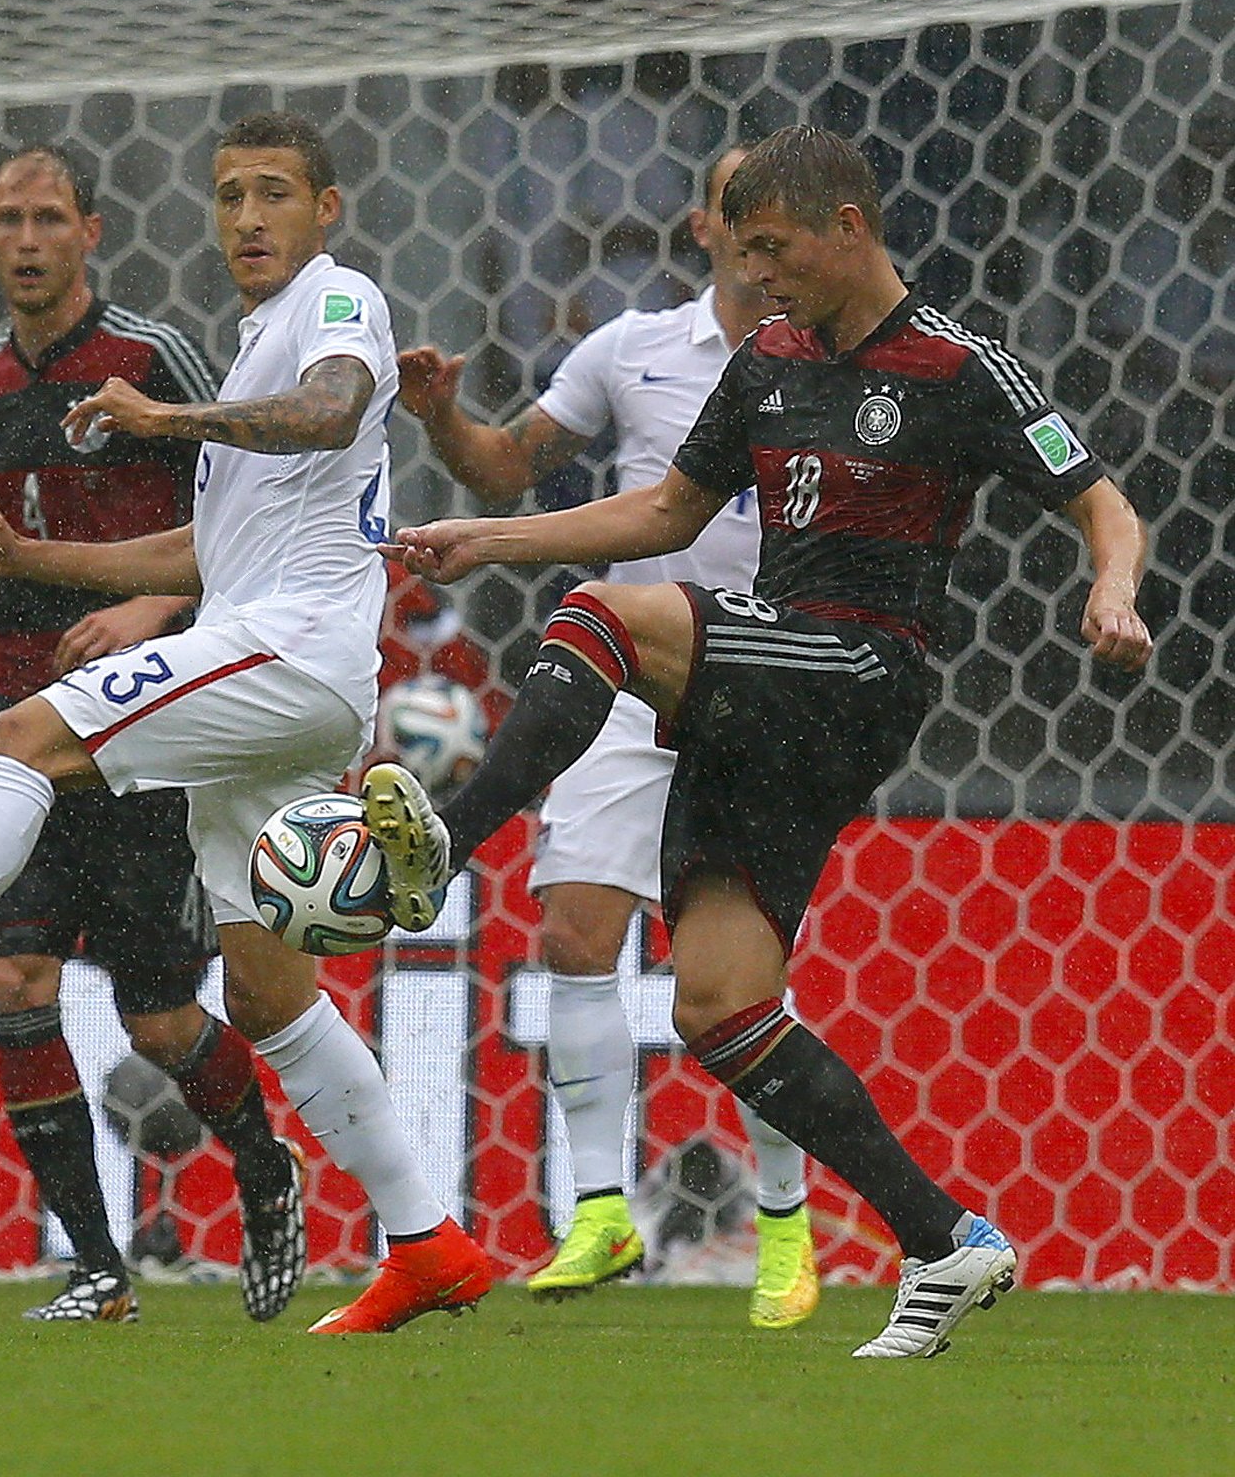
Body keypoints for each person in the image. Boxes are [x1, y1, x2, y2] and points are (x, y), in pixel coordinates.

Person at [372, 125, 1152, 1358]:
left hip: (859, 669)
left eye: (776, 249)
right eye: (744, 253)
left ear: (849, 226)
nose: (761, 277)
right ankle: (948, 1239)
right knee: (719, 1004)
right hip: (763, 696)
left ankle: (443, 848)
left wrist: (1112, 590)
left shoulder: (960, 367)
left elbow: (1103, 503)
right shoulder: (769, 361)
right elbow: (667, 509)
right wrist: (486, 540)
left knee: (611, 614)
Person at [0, 110, 493, 1334]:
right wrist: (21, 550)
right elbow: (202, 543)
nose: (248, 217)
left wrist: (165, 422)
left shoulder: (339, 304)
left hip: (288, 652)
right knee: (269, 997)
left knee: (17, 737)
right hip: (270, 663)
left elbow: (336, 410)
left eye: (275, 194)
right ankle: (427, 1241)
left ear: (325, 210)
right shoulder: (246, 353)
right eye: (230, 194)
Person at [396, 149, 820, 1329]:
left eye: (773, 209)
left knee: (732, 987)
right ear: (701, 225)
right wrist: (440, 416)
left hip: (770, 688)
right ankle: (599, 1210)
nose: (753, 228)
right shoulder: (629, 350)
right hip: (631, 679)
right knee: (575, 932)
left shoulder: (835, 362)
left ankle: (784, 1224)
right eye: (736, 206)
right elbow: (505, 467)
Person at [0, 145, 305, 1324]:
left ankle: (264, 1165)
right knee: (18, 980)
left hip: (141, 725)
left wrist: (154, 607)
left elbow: (240, 518)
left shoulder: (150, 362)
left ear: (92, 229)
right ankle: (97, 1267)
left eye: (46, 219)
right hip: (20, 727)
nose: (24, 241)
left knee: (161, 1017)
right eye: (4, 221)